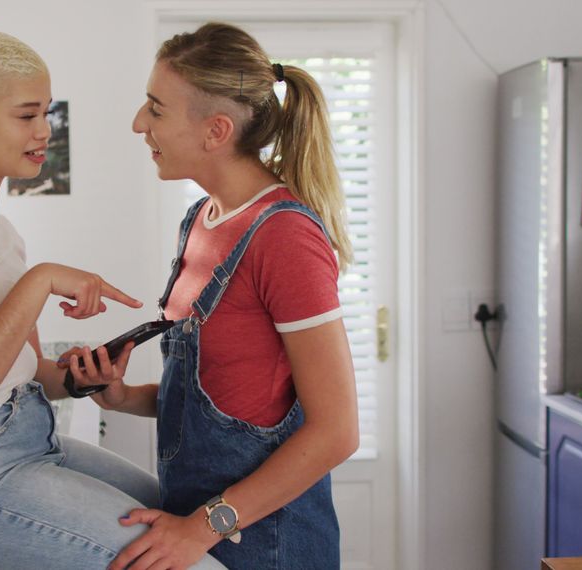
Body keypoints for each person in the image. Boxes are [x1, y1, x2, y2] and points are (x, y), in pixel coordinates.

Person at [0, 30, 223, 570]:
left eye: (45, 113)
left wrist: (80, 377)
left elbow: (27, 372)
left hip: (23, 443)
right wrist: (40, 281)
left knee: (183, 520)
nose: (43, 131)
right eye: (26, 115)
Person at [76, 21, 360, 570]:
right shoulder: (200, 220)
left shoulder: (284, 236)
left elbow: (337, 431)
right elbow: (227, 398)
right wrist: (123, 395)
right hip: (197, 532)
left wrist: (201, 529)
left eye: (156, 109)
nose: (139, 123)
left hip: (265, 545)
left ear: (216, 131)